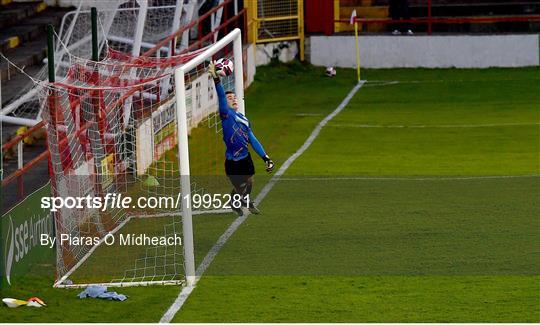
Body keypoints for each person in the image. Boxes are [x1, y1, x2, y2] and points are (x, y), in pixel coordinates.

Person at [208, 61, 275, 216]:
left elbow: (253, 139)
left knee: (250, 181)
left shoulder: (244, 120)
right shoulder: (226, 115)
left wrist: (266, 158)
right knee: (240, 186)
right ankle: (237, 200)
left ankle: (243, 199)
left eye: (234, 97)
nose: (233, 99)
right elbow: (221, 97)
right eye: (230, 98)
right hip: (233, 162)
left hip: (246, 157)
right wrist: (217, 80)